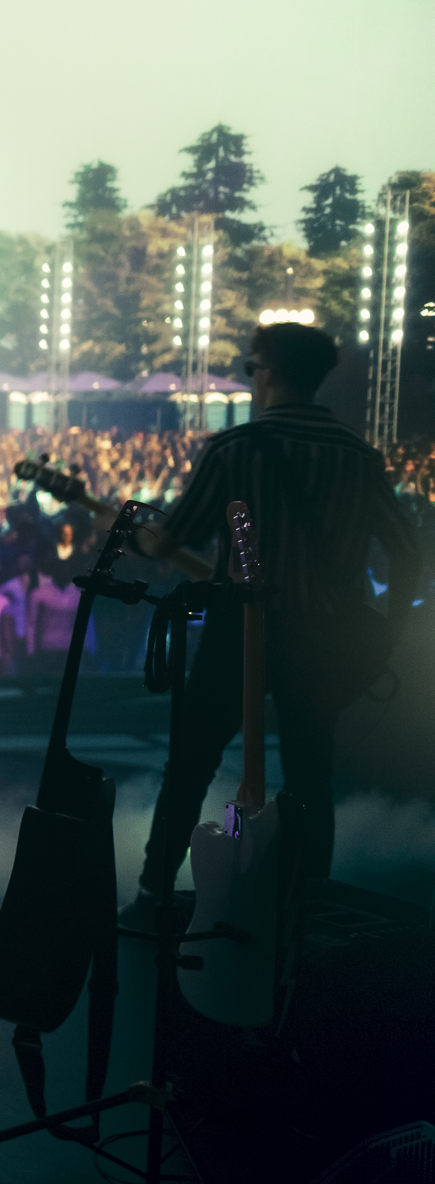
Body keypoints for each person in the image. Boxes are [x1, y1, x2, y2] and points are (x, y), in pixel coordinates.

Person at [123, 323, 421, 923]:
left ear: (271, 372)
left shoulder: (235, 449)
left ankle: (155, 895)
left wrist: (134, 534)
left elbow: (171, 540)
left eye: (251, 366)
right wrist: (385, 635)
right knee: (311, 776)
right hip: (325, 639)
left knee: (192, 762)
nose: (251, 377)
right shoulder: (359, 458)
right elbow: (408, 552)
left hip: (239, 631)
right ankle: (307, 906)